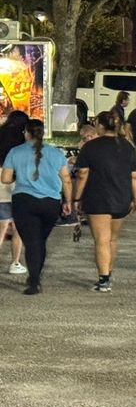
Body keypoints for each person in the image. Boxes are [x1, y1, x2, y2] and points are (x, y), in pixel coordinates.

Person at [72, 111, 136, 292]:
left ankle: (103, 279)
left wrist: (76, 197)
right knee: (112, 239)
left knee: (101, 239)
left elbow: (83, 174)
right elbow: (134, 176)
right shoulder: (127, 146)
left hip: (98, 197)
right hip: (121, 197)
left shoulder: (91, 147)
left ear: (100, 126)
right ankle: (109, 271)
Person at [1, 119, 69, 295]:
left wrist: (18, 175)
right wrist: (69, 201)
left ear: (27, 133)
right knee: (40, 241)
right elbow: (66, 179)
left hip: (24, 201)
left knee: (32, 242)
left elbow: (5, 179)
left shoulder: (15, 152)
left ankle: (34, 281)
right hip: (51, 202)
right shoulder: (56, 153)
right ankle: (35, 275)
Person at [0, 111, 28, 275]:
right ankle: (15, 262)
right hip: (17, 184)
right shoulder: (22, 141)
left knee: (2, 226)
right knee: (18, 227)